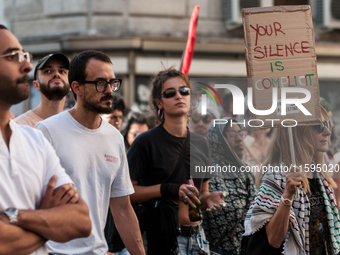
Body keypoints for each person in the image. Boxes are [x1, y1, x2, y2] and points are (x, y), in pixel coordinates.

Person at [35, 50, 145, 255]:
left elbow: (122, 209)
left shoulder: (114, 138)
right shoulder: (47, 131)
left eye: (113, 83)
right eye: (100, 83)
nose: (109, 90)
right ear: (76, 87)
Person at [0, 24, 91, 254]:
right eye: (12, 57)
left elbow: (81, 221)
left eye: (25, 56)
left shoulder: (34, 139)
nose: (27, 65)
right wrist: (48, 222)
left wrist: (14, 217)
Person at [127, 68, 227, 255]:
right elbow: (127, 193)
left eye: (184, 91)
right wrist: (168, 189)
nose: (178, 96)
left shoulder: (200, 143)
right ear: (159, 103)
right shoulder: (145, 142)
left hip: (198, 240)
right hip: (164, 240)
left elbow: (201, 194)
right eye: (170, 93)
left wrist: (209, 199)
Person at [242, 106, 340, 255]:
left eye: (327, 125)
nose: (328, 132)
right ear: (299, 130)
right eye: (320, 126)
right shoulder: (277, 175)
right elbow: (274, 239)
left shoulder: (320, 175)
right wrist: (287, 195)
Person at [204, 118, 256, 255]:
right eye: (231, 134)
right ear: (216, 140)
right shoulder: (207, 173)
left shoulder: (246, 173)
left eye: (241, 134)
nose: (239, 139)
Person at [15, 53, 70, 127]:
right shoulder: (20, 126)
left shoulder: (75, 126)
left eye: (62, 71)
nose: (57, 74)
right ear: (36, 85)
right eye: (48, 71)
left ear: (71, 86)